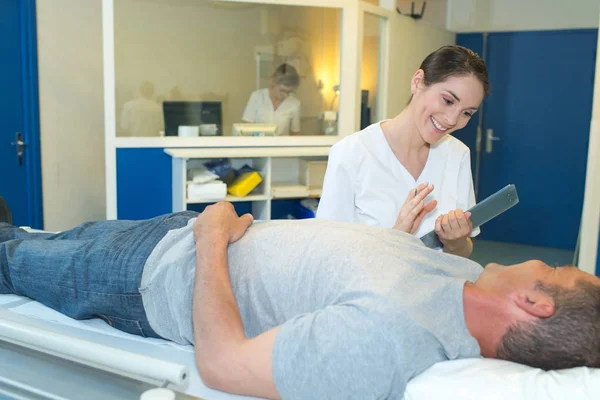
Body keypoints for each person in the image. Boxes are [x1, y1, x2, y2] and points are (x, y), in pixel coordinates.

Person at [1, 203, 599, 400]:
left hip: (151, 275)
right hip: (178, 233)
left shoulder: (393, 340)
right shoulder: (465, 277)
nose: (538, 260)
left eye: (552, 269)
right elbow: (357, 271)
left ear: (534, 304)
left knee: (13, 261)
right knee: (39, 239)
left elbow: (224, 364)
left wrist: (211, 240)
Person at [317, 45, 490, 258]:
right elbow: (326, 252)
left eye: (466, 113)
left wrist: (454, 242)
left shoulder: (458, 154)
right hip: (372, 288)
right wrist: (397, 235)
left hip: (438, 286)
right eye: (447, 100)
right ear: (418, 82)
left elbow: (463, 253)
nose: (452, 120)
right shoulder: (352, 153)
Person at [242, 63, 301, 136]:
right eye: (282, 90)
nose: (285, 95)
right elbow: (246, 129)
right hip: (258, 145)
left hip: (282, 146)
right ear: (274, 82)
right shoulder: (257, 96)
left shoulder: (294, 104)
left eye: (289, 92)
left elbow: (295, 133)